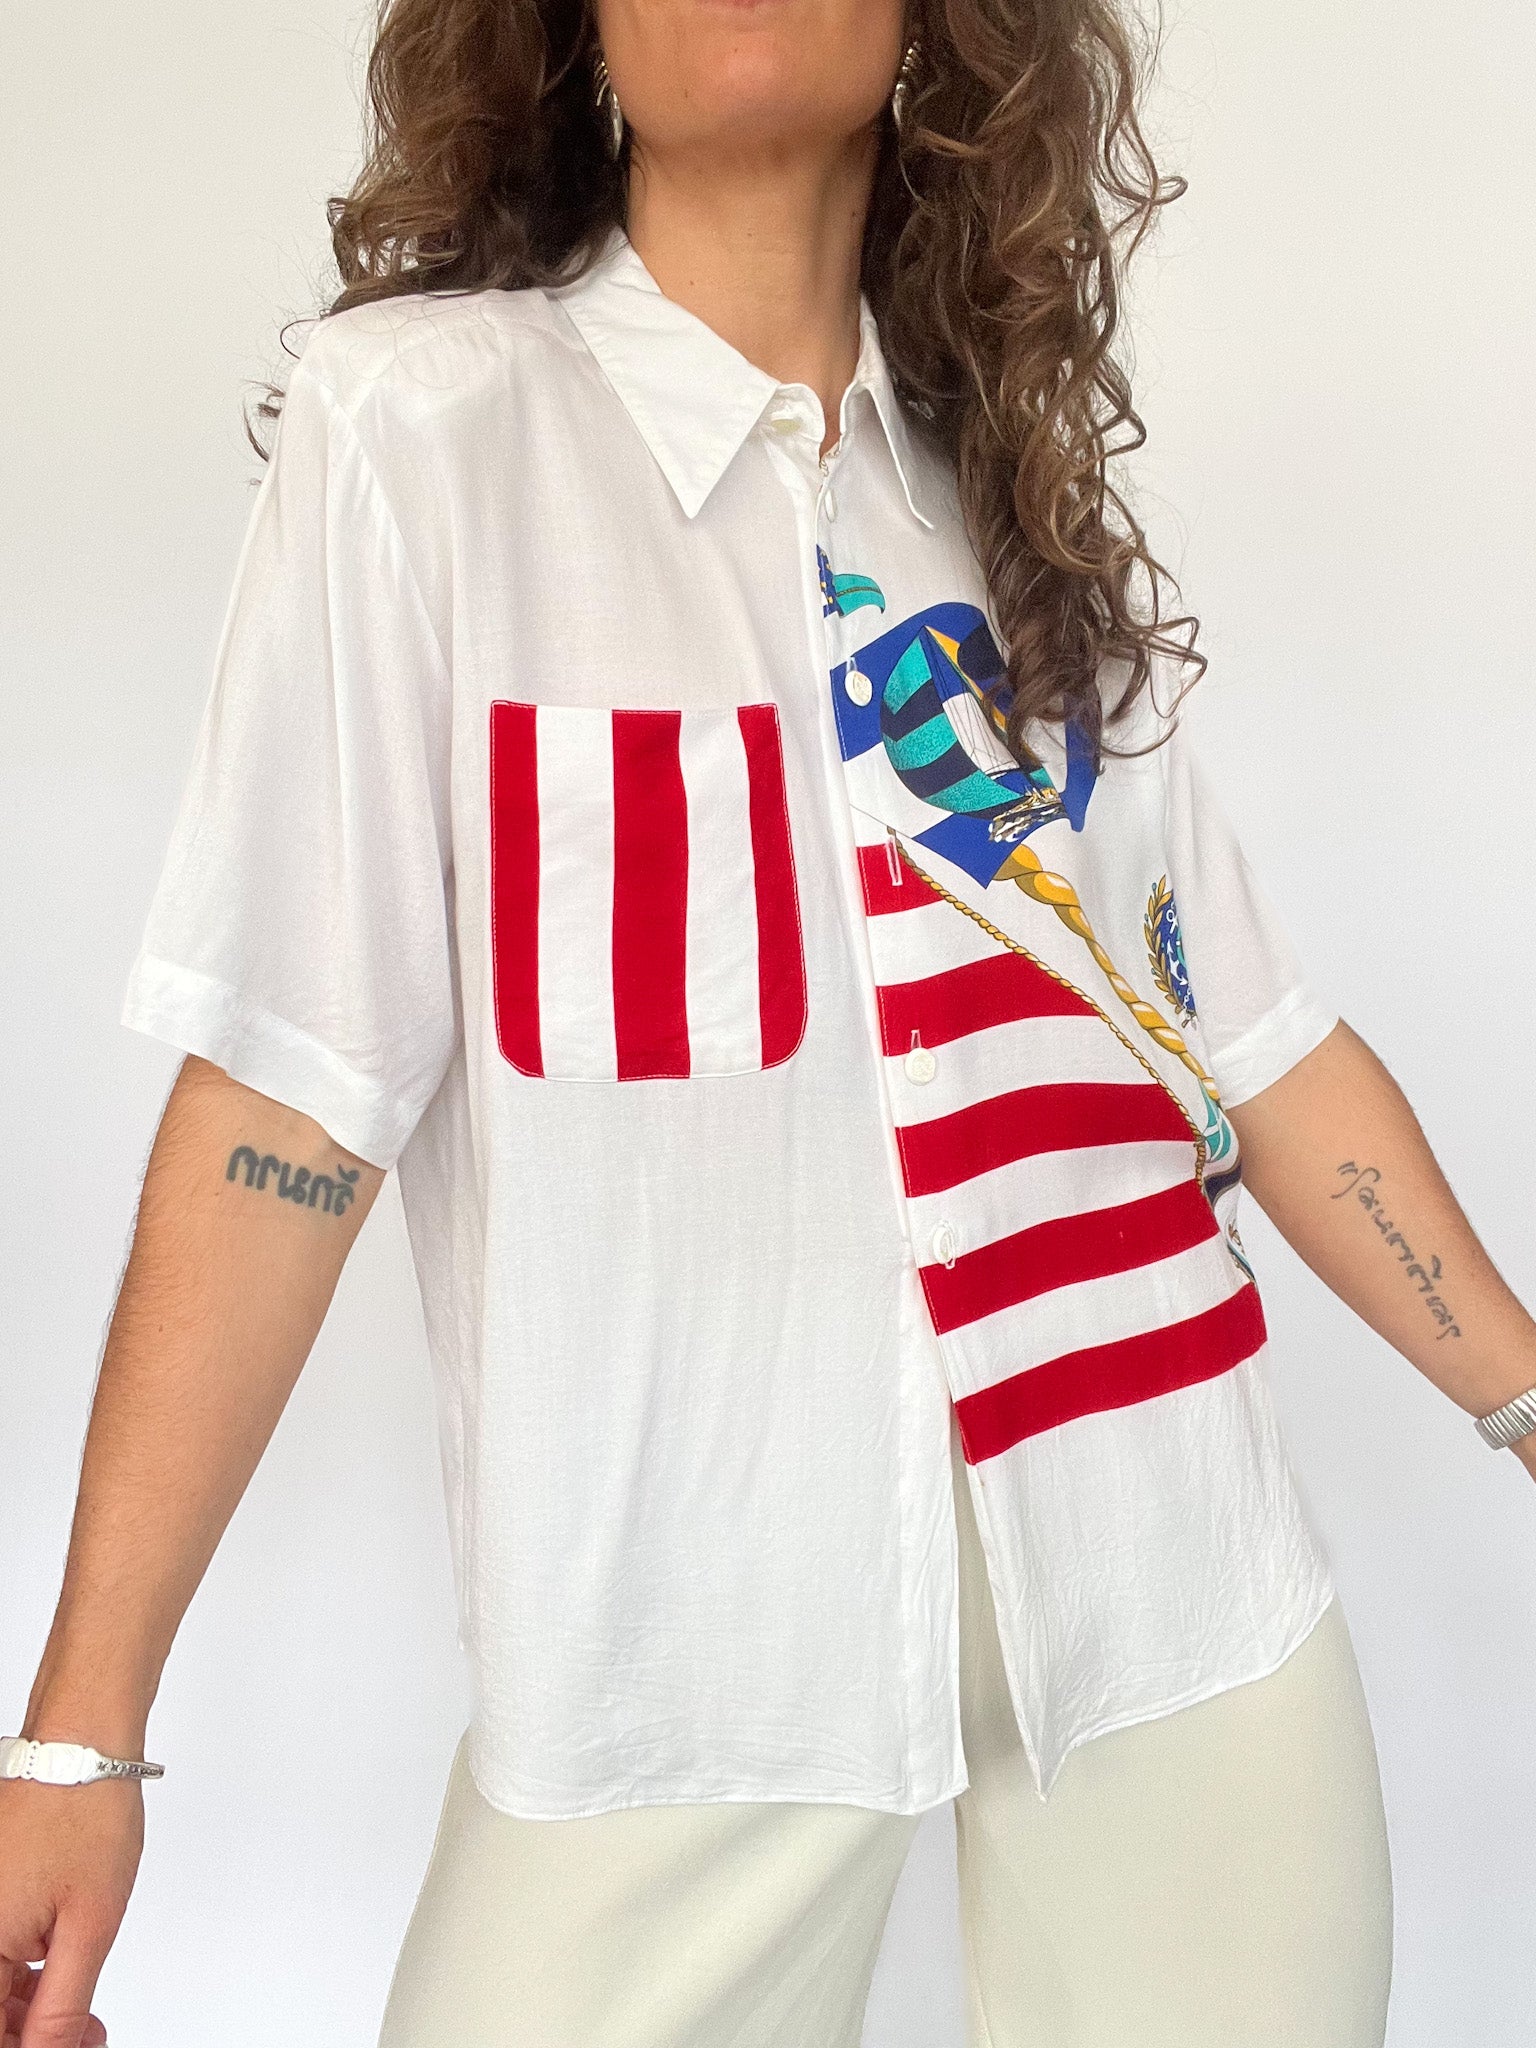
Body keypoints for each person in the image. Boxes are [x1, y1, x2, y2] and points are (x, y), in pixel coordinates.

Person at [3, 2, 1533, 2044]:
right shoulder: (427, 434)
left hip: (1176, 1593)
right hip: (676, 1670)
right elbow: (292, 1094)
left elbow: (1254, 1044)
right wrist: (78, 1737)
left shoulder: (1011, 521)